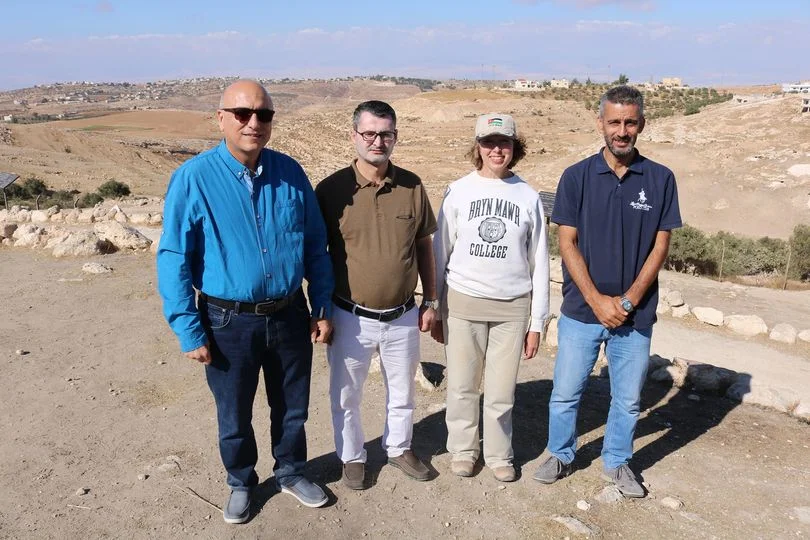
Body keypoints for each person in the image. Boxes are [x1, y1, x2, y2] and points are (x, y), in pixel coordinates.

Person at [156, 79, 334, 524]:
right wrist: (187, 327)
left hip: (291, 313)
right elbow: (174, 256)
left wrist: (322, 305)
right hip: (226, 320)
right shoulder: (194, 178)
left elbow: (315, 244)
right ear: (221, 118)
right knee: (233, 411)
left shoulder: (290, 172)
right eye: (243, 113)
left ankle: (291, 471)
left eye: (264, 114)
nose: (254, 123)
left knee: (292, 405)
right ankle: (241, 481)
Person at [533, 85, 682, 497]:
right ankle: (560, 453)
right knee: (565, 393)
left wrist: (630, 300)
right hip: (582, 311)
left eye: (630, 122)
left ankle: (617, 462)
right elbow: (567, 242)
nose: (622, 130)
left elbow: (661, 245)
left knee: (628, 399)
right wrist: (598, 301)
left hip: (635, 316)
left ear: (642, 124)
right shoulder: (577, 177)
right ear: (601, 123)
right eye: (614, 121)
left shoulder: (660, 178)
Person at [315, 100, 438, 490]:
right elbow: (317, 256)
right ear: (354, 136)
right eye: (369, 133)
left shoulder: (413, 186)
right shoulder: (331, 191)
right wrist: (319, 311)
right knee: (346, 394)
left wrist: (431, 301)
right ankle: (352, 456)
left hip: (402, 314)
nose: (377, 141)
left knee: (401, 391)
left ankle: (399, 447)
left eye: (385, 133)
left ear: (395, 137)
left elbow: (423, 246)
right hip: (349, 315)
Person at [431, 113, 549, 482]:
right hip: (464, 302)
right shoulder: (458, 191)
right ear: (477, 147)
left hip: (512, 308)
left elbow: (540, 261)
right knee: (463, 385)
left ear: (515, 148)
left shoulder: (528, 197)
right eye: (489, 142)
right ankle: (464, 450)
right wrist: (436, 306)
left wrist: (538, 321)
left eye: (504, 143)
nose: (496, 149)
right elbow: (440, 251)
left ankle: (500, 455)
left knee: (501, 392)